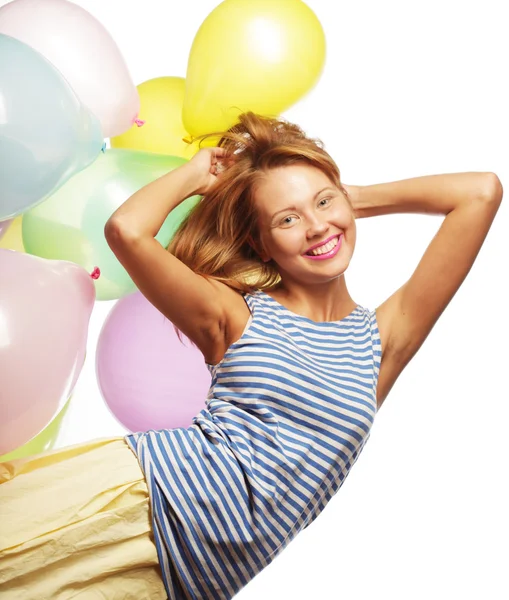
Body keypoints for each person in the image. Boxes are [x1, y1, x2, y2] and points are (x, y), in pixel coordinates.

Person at [0, 112, 502, 600]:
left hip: (181, 583)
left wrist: (343, 197)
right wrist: (197, 173)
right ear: (261, 244)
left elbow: (480, 192)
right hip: (131, 498)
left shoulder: (382, 342)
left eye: (325, 204)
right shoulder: (235, 315)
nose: (316, 227)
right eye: (287, 219)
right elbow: (127, 232)